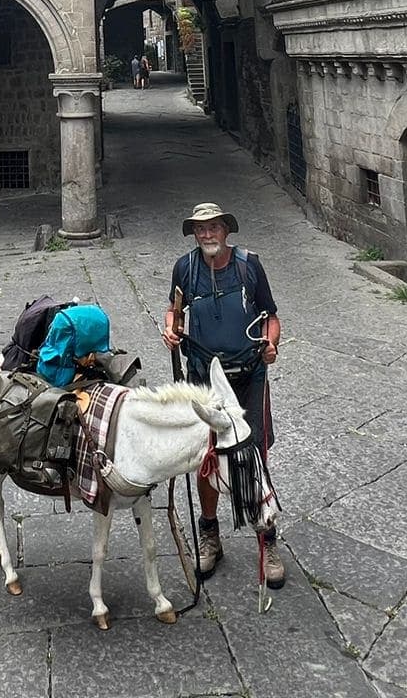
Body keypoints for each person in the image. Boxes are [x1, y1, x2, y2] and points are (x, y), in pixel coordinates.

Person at [162, 201, 284, 587]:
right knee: (207, 459)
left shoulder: (249, 265)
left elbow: (271, 317)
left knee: (255, 454)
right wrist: (171, 329)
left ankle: (267, 540)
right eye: (201, 230)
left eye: (213, 228)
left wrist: (271, 345)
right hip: (204, 379)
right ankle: (210, 534)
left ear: (225, 230)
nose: (207, 235)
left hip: (249, 375)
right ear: (194, 235)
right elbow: (173, 310)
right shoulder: (185, 268)